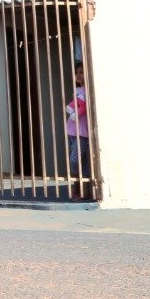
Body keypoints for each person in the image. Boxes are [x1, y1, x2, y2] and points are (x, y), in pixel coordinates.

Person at [65, 64, 92, 200]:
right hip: (72, 129)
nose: (79, 75)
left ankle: (79, 189)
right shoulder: (77, 90)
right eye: (77, 73)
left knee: (75, 160)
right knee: (81, 161)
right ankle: (81, 191)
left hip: (82, 130)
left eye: (81, 72)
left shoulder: (89, 90)